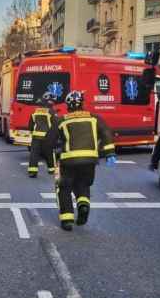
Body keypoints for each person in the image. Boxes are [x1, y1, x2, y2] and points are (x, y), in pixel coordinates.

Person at [51, 90, 116, 231]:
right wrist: (110, 152)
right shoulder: (94, 118)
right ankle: (83, 205)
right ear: (82, 104)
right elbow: (106, 133)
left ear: (68, 105)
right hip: (89, 160)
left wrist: (52, 152)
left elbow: (52, 140)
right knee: (83, 184)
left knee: (64, 188)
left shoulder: (62, 120)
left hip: (69, 161)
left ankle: (67, 220)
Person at [27, 92, 58, 178]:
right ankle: (51, 170)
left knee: (34, 154)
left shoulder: (35, 111)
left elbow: (30, 125)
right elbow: (55, 125)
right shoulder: (51, 111)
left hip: (36, 136)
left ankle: (32, 171)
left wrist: (31, 132)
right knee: (49, 153)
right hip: (47, 136)